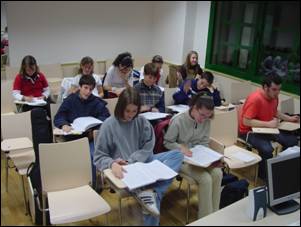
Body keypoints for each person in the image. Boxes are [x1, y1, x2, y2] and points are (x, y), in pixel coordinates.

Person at [93, 87, 184, 226]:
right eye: (127, 111)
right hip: (125, 170)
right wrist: (112, 164)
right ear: (120, 107)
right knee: (152, 199)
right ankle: (151, 195)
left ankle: (152, 192)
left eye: (134, 111)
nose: (130, 115)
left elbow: (149, 146)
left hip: (143, 163)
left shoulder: (141, 122)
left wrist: (133, 160)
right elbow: (99, 156)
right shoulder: (108, 125)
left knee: (177, 155)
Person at [164, 92, 223, 219]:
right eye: (202, 115)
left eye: (207, 116)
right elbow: (167, 142)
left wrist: (208, 158)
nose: (203, 119)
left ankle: (215, 214)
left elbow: (204, 142)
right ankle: (205, 219)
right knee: (206, 179)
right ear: (194, 108)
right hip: (181, 160)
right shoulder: (178, 120)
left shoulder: (206, 120)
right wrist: (180, 147)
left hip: (198, 159)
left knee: (218, 173)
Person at [238, 74, 299, 180]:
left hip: (266, 128)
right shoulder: (255, 99)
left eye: (279, 89)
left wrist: (289, 118)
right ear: (265, 88)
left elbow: (274, 111)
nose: (277, 93)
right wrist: (268, 124)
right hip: (248, 132)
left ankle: (282, 168)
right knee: (267, 149)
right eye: (274, 89)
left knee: (291, 141)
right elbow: (246, 121)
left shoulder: (274, 97)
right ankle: (265, 176)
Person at [54, 75, 110, 188]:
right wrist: (64, 124)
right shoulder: (70, 100)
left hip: (90, 136)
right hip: (73, 136)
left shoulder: (96, 101)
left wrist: (94, 126)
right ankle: (79, 183)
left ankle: (93, 185)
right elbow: (59, 116)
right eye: (85, 88)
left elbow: (106, 117)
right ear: (79, 87)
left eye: (90, 89)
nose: (88, 92)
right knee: (83, 156)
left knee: (93, 155)